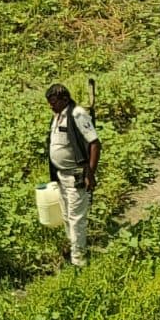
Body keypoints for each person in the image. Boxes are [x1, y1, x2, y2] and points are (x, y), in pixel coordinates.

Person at [45, 84, 101, 268]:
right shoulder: (57, 116)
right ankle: (73, 246)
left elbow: (94, 143)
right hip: (61, 175)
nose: (51, 106)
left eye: (54, 103)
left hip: (76, 174)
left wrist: (90, 173)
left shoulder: (77, 114)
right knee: (67, 215)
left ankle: (79, 258)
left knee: (77, 217)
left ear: (65, 100)